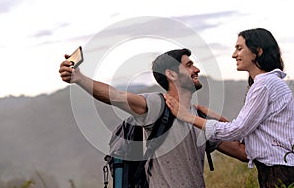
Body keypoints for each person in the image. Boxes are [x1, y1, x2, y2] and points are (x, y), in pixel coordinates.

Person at [59, 48, 247, 188]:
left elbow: (243, 152)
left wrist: (218, 118)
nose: (197, 69)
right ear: (171, 74)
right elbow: (114, 95)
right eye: (189, 65)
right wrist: (79, 78)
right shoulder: (157, 105)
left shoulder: (199, 117)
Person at [164, 28, 294, 188]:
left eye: (239, 48)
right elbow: (248, 131)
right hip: (281, 169)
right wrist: (217, 118)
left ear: (258, 51)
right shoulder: (268, 83)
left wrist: (188, 116)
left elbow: (238, 130)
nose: (234, 54)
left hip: (280, 172)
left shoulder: (264, 85)